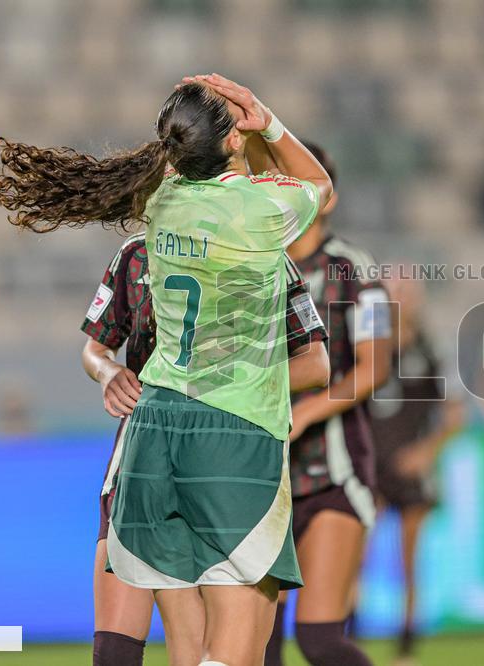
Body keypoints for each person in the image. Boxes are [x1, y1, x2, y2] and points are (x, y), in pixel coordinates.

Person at [0, 74, 334, 666]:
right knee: (238, 640)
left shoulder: (160, 201)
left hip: (153, 429)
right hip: (233, 430)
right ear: (233, 140)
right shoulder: (259, 212)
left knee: (186, 643)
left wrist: (224, 133)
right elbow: (319, 187)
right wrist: (267, 120)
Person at [81, 229, 329, 666]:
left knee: (206, 649)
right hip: (147, 456)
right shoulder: (137, 253)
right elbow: (95, 349)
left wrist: (224, 389)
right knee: (121, 651)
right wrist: (107, 371)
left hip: (227, 460)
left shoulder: (261, 250)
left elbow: (315, 363)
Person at [264, 142, 393, 666]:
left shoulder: (353, 268)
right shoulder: (254, 265)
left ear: (326, 197)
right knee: (260, 646)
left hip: (333, 471)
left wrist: (308, 411)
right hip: (264, 476)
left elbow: (375, 366)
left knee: (318, 638)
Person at [367, 274, 464, 665]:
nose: (402, 300)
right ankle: (344, 637)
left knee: (409, 559)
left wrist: (426, 452)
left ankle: (406, 644)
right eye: (395, 293)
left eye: (407, 293)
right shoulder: (367, 346)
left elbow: (455, 415)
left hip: (410, 468)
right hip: (370, 466)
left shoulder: (433, 349)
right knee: (353, 554)